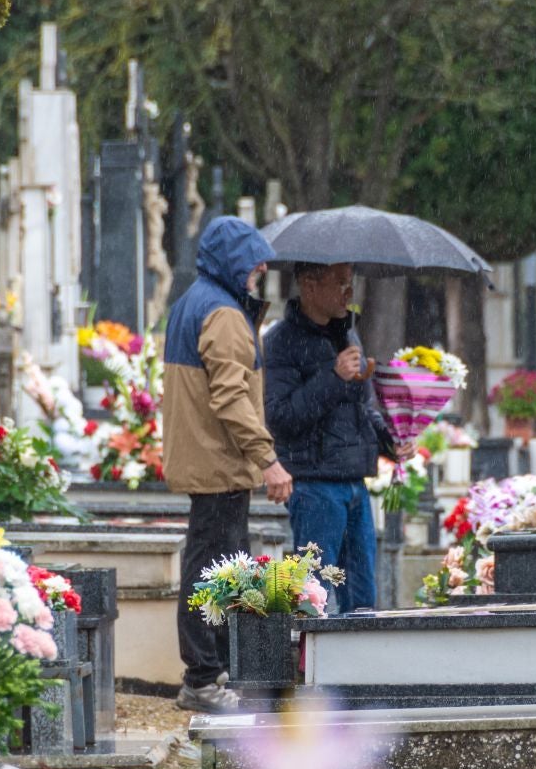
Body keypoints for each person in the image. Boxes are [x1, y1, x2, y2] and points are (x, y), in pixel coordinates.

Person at [162, 218, 293, 712]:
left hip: (204, 458)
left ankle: (212, 675)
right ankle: (203, 679)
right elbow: (231, 396)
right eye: (253, 259)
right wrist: (268, 459)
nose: (261, 267)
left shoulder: (193, 302)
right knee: (214, 571)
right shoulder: (222, 314)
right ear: (231, 261)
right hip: (218, 461)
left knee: (214, 565)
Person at [263, 262, 404, 612]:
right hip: (314, 487)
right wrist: (333, 375)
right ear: (309, 285)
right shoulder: (280, 342)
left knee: (363, 595)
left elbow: (362, 407)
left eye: (350, 282)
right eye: (340, 283)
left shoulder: (348, 335)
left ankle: (364, 665)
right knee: (317, 596)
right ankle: (314, 666)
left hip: (355, 481)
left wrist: (393, 441)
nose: (349, 292)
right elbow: (280, 418)